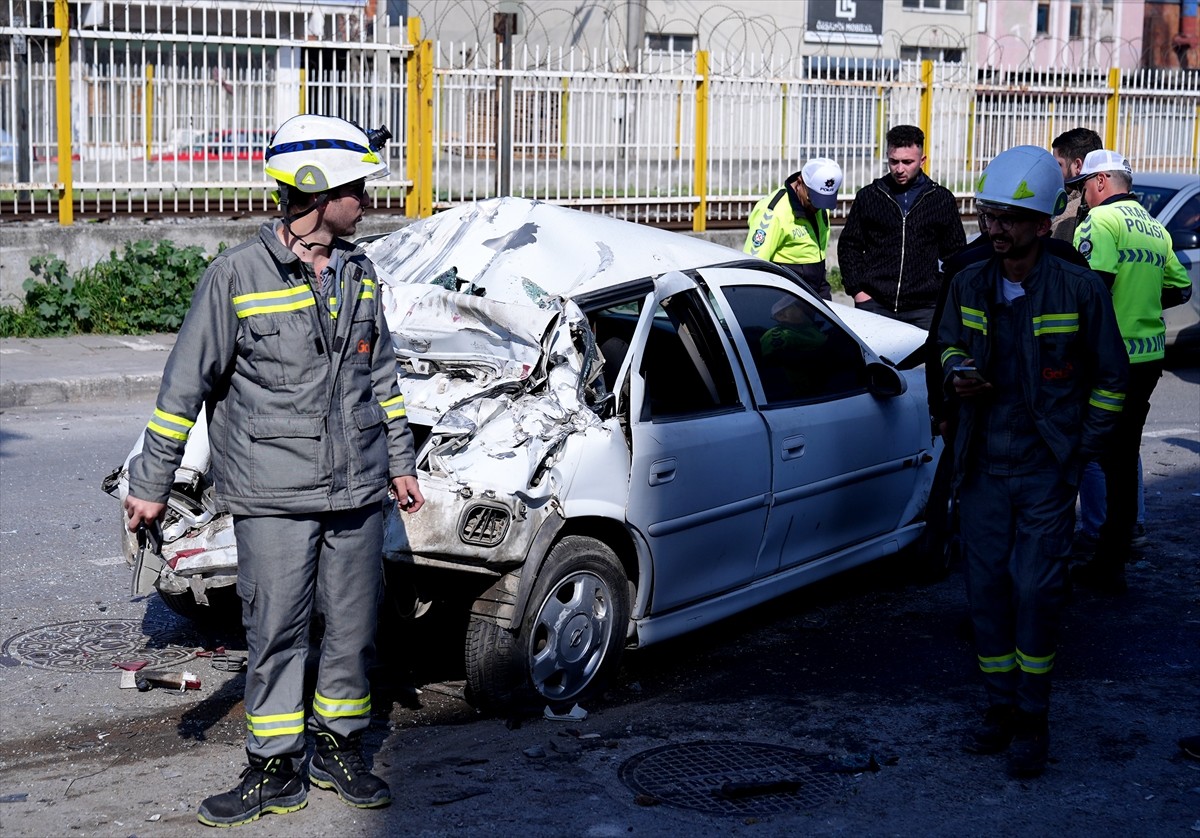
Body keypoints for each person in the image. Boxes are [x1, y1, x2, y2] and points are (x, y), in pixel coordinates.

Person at [123, 114, 426, 827]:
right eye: (356, 187)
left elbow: (382, 376)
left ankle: (338, 745)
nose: (368, 200)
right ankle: (274, 766)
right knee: (278, 631)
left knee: (352, 629)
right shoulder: (235, 277)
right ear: (317, 192)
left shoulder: (361, 271)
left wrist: (402, 463)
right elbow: (182, 390)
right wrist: (150, 484)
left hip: (355, 491)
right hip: (273, 497)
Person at [936, 145, 1128, 778]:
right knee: (986, 592)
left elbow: (1110, 378)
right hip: (984, 467)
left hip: (1047, 469)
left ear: (1044, 224)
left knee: (1036, 592)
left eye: (1011, 219)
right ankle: (999, 711)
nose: (997, 229)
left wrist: (1082, 452)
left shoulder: (1077, 288)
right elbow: (946, 349)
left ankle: (1033, 719)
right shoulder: (968, 282)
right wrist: (958, 369)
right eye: (990, 216)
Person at [1068, 149, 1192, 593]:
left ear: (1100, 182)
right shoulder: (1154, 227)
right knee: (1121, 462)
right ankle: (1112, 559)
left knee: (1080, 452)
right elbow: (1181, 288)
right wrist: (1140, 307)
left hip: (1104, 360)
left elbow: (1092, 286)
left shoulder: (1101, 223)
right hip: (1147, 359)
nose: (1082, 195)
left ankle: (1090, 558)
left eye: (1084, 186)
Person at [839, 124, 965, 329]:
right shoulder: (869, 196)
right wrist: (857, 292)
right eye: (893, 161)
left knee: (924, 362)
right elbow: (849, 246)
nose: (899, 169)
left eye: (907, 162)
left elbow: (956, 254)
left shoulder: (941, 199)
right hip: (875, 306)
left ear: (922, 160)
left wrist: (943, 295)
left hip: (926, 309)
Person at [744, 158, 843, 300]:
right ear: (800, 182)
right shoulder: (773, 212)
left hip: (818, 288)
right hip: (785, 299)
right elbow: (752, 267)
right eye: (812, 200)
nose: (817, 208)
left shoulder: (819, 206)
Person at [1049, 127, 1102, 243]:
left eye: (1059, 164)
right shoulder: (1126, 208)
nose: (1055, 171)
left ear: (1077, 166)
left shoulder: (1065, 220)